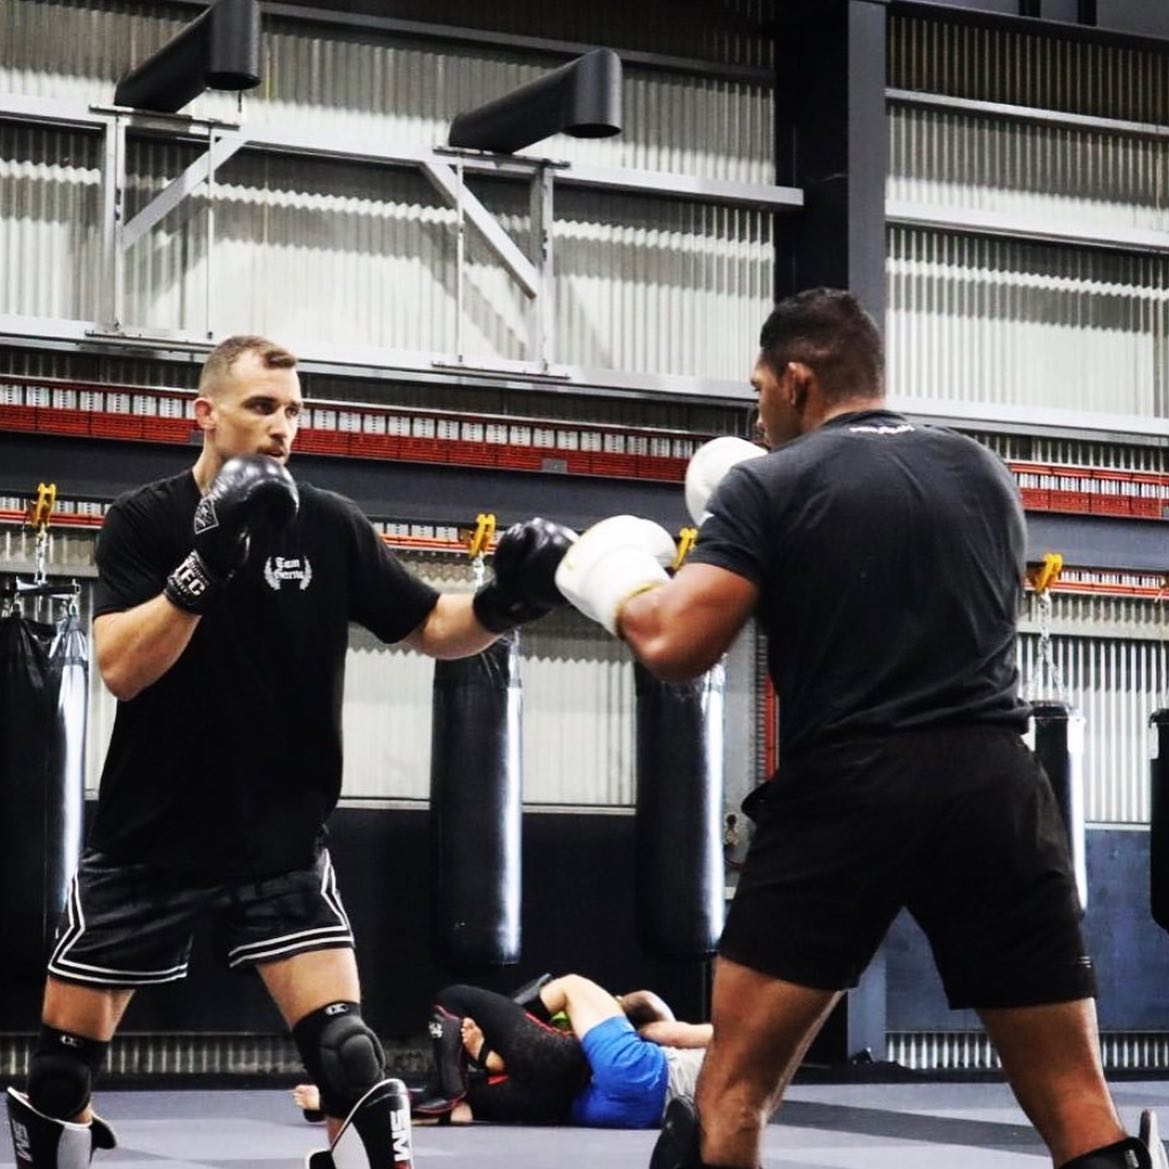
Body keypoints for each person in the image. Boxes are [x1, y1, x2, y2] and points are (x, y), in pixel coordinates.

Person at [552, 289, 1167, 1169]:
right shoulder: (981, 472)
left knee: (732, 1093)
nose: (758, 418)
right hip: (994, 785)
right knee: (1079, 1103)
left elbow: (675, 642)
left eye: (761, 392)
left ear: (797, 381)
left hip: (848, 790)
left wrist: (602, 575)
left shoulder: (770, 482)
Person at [4, 334, 573, 1169]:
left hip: (278, 843)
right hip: (146, 844)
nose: (282, 426)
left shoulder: (331, 526)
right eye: (261, 406)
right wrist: (204, 568)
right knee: (59, 1078)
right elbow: (123, 669)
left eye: (293, 410)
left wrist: (503, 601)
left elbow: (429, 625)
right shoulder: (144, 520)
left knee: (350, 1057)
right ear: (205, 413)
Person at [294, 974, 708, 1129]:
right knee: (462, 1107)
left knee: (573, 984)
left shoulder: (641, 1032)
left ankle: (474, 1066)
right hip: (614, 1113)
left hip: (622, 1084)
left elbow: (683, 1032)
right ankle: (342, 1102)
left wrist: (510, 1019)